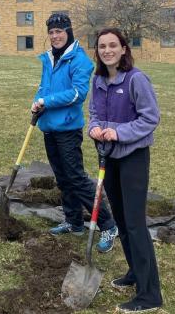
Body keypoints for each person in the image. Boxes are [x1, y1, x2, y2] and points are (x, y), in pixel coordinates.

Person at [88, 28, 163, 313]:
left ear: (123, 49)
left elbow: (150, 117)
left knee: (135, 223)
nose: (107, 50)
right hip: (108, 157)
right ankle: (135, 272)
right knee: (120, 219)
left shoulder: (136, 80)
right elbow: (94, 113)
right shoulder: (98, 80)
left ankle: (150, 295)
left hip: (132, 157)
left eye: (112, 45)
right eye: (102, 46)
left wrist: (117, 132)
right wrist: (93, 128)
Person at [32, 13, 118, 253]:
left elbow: (77, 94)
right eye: (51, 32)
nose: (55, 36)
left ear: (68, 32)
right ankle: (73, 221)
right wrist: (36, 102)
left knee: (76, 178)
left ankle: (108, 224)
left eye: (59, 31)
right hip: (49, 126)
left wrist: (45, 101)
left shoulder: (79, 61)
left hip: (68, 129)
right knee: (62, 178)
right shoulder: (50, 58)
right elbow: (44, 87)